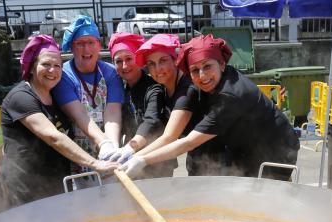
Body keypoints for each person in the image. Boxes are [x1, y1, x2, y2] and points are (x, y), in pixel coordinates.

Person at [121, 34, 299, 180]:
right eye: (195, 70)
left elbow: (189, 141)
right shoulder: (199, 84)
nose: (202, 76)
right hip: (242, 146)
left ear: (222, 64)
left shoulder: (231, 95)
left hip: (275, 148)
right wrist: (133, 150)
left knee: (266, 202)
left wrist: (141, 159)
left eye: (207, 66)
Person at [0, 34, 118, 205]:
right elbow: (53, 137)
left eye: (57, 66)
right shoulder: (21, 97)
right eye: (46, 65)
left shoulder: (55, 96)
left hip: (55, 184)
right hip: (25, 189)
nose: (53, 71)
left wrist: (105, 144)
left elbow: (80, 119)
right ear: (32, 67)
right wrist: (95, 163)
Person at [52, 16, 124, 186]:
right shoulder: (63, 76)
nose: (87, 49)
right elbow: (79, 114)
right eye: (80, 43)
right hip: (79, 156)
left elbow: (112, 112)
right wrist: (103, 142)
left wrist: (111, 147)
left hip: (108, 149)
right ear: (71, 47)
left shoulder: (110, 73)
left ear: (99, 45)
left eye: (91, 42)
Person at [105, 32, 176, 178]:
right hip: (132, 162)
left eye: (129, 58)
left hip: (158, 164)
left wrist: (129, 149)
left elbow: (152, 120)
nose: (124, 66)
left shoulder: (154, 88)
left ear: (138, 59)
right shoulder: (123, 90)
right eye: (118, 61)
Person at [123, 34, 197, 172]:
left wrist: (133, 157)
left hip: (222, 155)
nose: (158, 68)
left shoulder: (187, 90)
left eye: (163, 60)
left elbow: (169, 137)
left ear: (175, 60)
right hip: (196, 156)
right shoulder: (163, 86)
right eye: (151, 64)